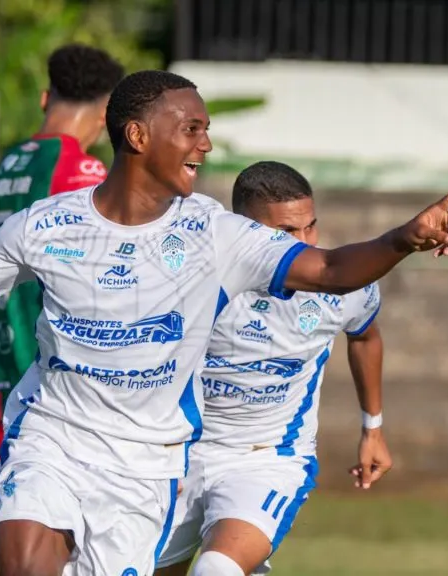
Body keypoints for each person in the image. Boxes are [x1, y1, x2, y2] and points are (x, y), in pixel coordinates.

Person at [0, 69, 448, 576]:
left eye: (207, 130)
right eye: (191, 128)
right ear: (138, 135)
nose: (206, 143)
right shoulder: (49, 225)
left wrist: (403, 239)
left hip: (146, 468)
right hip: (56, 433)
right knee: (26, 558)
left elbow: (329, 270)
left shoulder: (215, 234)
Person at [154, 161, 392, 576]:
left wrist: (373, 427)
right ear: (241, 231)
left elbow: (365, 337)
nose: (303, 244)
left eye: (310, 227)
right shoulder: (195, 281)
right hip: (176, 457)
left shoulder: (339, 286)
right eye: (285, 234)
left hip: (266, 458)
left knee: (215, 570)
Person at [0, 43, 123, 576]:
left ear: (44, 97)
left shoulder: (5, 165)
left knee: (1, 548)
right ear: (107, 116)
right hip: (50, 396)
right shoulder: (82, 173)